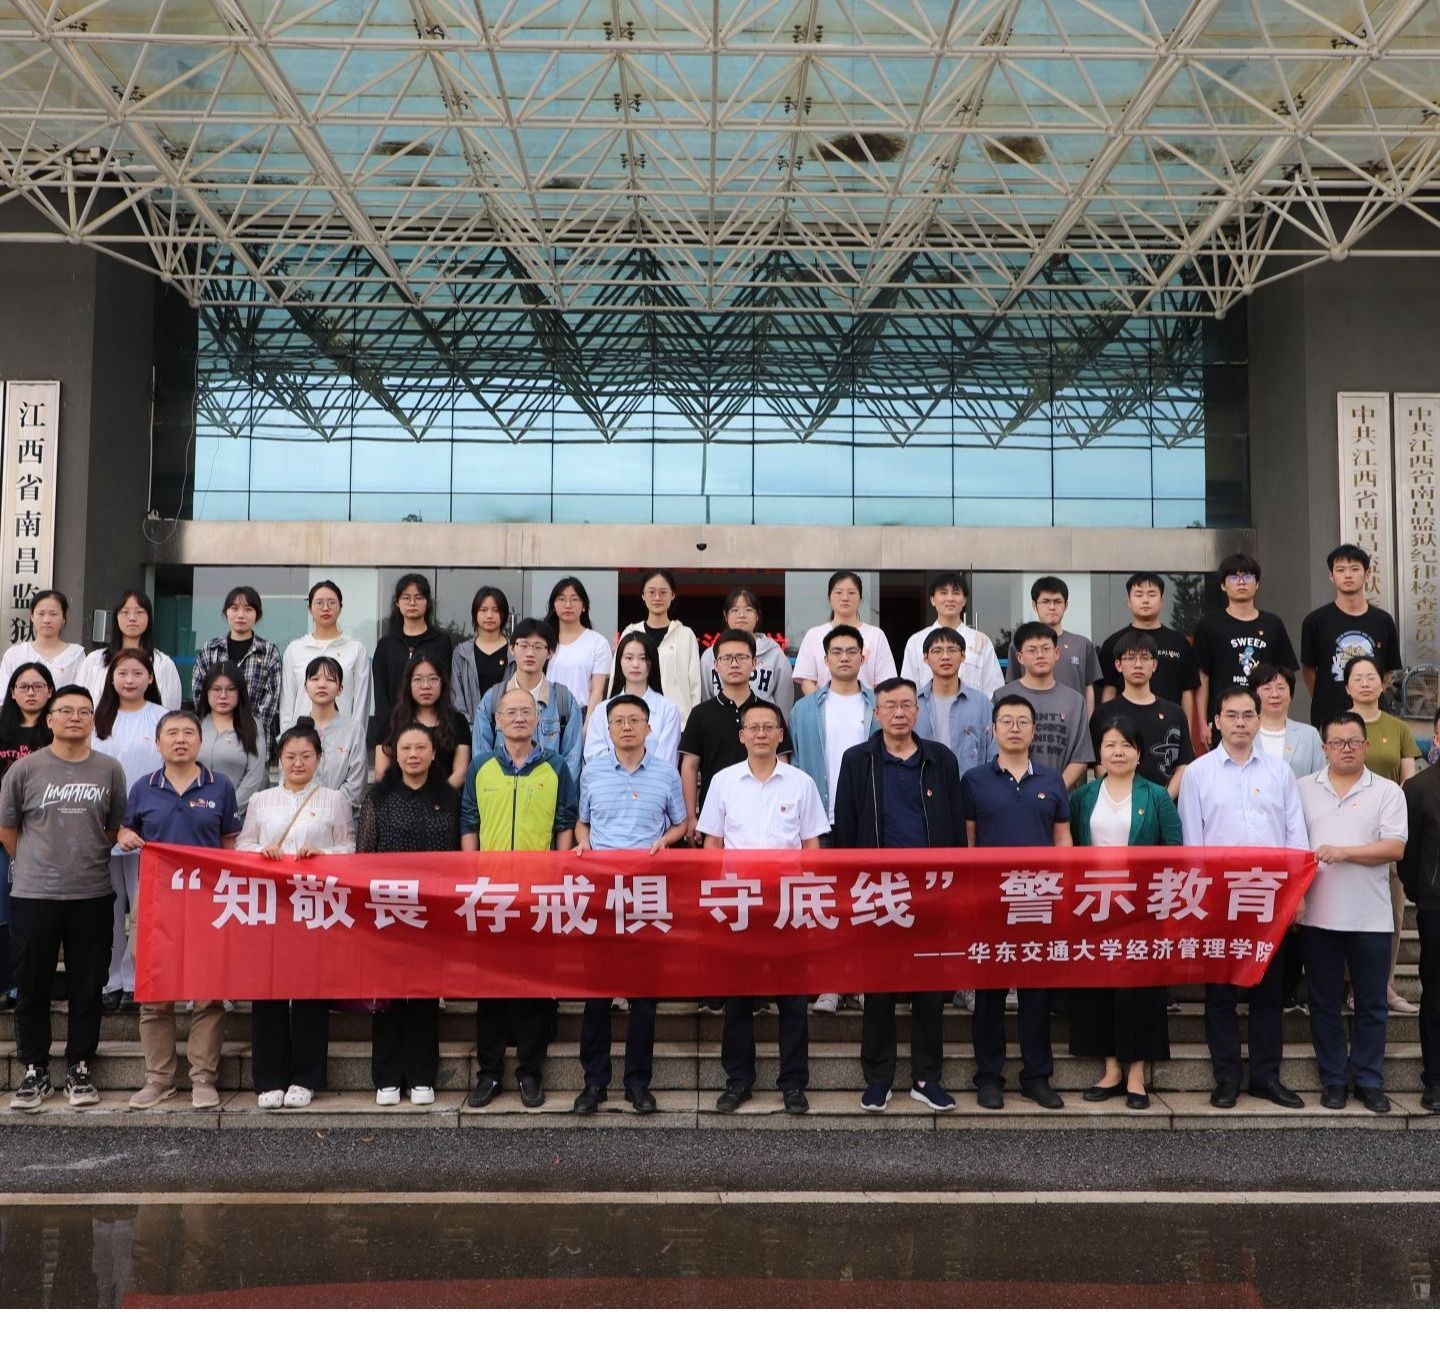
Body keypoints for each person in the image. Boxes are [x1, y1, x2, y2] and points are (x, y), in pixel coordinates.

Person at [833, 677, 966, 1113]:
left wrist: (954, 885)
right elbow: (846, 826)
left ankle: (927, 1078)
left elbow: (955, 826)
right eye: (889, 706)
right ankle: (879, 1078)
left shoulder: (940, 760)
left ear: (917, 710)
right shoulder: (858, 760)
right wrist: (849, 890)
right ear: (876, 713)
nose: (899, 713)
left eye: (907, 705)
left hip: (930, 891)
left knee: (930, 988)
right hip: (877, 890)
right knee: (879, 987)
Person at [1177, 683, 1310, 1109]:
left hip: (1269, 899)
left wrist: (1297, 893)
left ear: (1258, 720)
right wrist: (1196, 900)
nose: (1240, 723)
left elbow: (1295, 836)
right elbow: (1192, 843)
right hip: (1218, 899)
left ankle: (1266, 1077)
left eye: (1247, 715)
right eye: (1231, 715)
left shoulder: (1279, 772)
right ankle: (1227, 1078)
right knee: (1220, 995)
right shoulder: (1198, 773)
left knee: (1268, 993)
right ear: (1216, 721)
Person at [699, 698, 829, 1115]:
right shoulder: (723, 781)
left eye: (768, 727)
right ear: (742, 736)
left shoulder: (800, 783)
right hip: (739, 904)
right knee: (738, 999)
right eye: (753, 727)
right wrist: (718, 897)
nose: (760, 734)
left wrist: (806, 897)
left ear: (779, 735)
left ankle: (793, 1083)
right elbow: (712, 843)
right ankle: (738, 1081)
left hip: (787, 903)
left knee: (793, 1000)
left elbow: (811, 845)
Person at [1, 684, 127, 1111]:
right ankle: (34, 1069)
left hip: (92, 893)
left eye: (84, 711)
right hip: (34, 895)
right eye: (66, 710)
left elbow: (113, 828)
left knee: (87, 986)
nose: (75, 717)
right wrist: (33, 863)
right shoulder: (25, 769)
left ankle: (79, 1067)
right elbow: (8, 828)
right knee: (32, 985)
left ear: (93, 720)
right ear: (50, 719)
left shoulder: (109, 769)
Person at [116, 711, 242, 1111]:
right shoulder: (144, 787)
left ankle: (203, 1077)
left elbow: (229, 844)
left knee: (207, 995)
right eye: (172, 733)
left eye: (189, 732)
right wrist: (125, 834)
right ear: (158, 743)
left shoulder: (220, 786)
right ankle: (159, 1079)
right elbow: (124, 828)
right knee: (155, 994)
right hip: (156, 902)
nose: (181, 739)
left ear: (200, 742)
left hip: (207, 902)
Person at [461, 689, 577, 1110]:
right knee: (490, 987)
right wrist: (472, 879)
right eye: (510, 712)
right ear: (497, 720)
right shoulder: (481, 766)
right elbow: (469, 821)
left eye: (526, 711)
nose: (518, 718)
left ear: (538, 719)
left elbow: (565, 822)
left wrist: (556, 876)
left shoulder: (555, 766)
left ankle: (530, 1071)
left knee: (534, 987)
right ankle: (490, 1072)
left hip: (537, 893)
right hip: (492, 893)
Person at [572, 695, 688, 1116]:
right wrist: (583, 843)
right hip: (603, 892)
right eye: (618, 720)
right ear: (607, 729)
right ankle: (594, 1082)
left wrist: (665, 841)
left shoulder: (666, 773)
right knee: (597, 995)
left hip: (647, 893)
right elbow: (582, 822)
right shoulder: (593, 771)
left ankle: (638, 1083)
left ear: (648, 727)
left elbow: (681, 823)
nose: (626, 727)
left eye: (634, 720)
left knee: (643, 997)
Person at [236, 717, 355, 1109]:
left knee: (310, 992)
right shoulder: (261, 801)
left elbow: (350, 850)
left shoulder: (334, 800)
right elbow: (242, 848)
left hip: (315, 907)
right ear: (279, 759)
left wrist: (323, 855)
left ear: (319, 758)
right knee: (267, 991)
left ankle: (306, 1077)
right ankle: (269, 1078)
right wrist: (263, 851)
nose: (298, 763)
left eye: (306, 756)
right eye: (290, 756)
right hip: (270, 908)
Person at [960, 695, 1072, 1110]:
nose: (1014, 728)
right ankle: (989, 1077)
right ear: (992, 730)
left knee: (1036, 994)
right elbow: (968, 843)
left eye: (1022, 721)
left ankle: (1036, 1077)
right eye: (1005, 721)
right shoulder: (974, 780)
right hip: (991, 902)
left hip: (1038, 900)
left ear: (1033, 730)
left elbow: (1063, 841)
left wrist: (1063, 894)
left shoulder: (1051, 780)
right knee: (989, 995)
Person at [1069, 715, 1183, 1110]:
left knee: (1141, 991)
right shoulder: (1084, 797)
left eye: (1126, 745)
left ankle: (1136, 1074)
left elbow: (1174, 850)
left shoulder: (1156, 795)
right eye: (1110, 745)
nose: (1118, 752)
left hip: (1142, 908)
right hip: (1095, 907)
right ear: (1099, 754)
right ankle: (1111, 1070)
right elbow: (1072, 849)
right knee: (1101, 989)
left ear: (1139, 753)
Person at [1297, 711, 1408, 1114]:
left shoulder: (1388, 791)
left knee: (1372, 1003)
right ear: (1324, 748)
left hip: (1371, 917)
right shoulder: (1303, 789)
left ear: (1366, 745)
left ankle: (1368, 1080)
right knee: (1324, 1002)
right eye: (1337, 742)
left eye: (1354, 741)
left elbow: (1394, 848)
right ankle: (1333, 1080)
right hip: (1318, 916)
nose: (1346, 748)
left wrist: (1344, 853)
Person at [356, 723, 460, 1107]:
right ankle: (386, 1077)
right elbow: (364, 855)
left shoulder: (449, 798)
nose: (413, 754)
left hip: (432, 913)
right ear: (395, 755)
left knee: (423, 996)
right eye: (405, 748)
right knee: (387, 997)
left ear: (433, 754)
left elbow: (458, 855)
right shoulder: (378, 798)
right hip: (387, 910)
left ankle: (421, 1076)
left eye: (420, 748)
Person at [789, 624, 878, 1014]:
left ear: (863, 657)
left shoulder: (879, 705)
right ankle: (829, 983)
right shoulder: (804, 710)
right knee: (824, 905)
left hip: (867, 817)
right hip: (818, 821)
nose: (844, 657)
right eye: (836, 652)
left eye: (851, 651)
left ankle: (860, 982)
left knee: (865, 903)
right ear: (825, 660)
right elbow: (792, 765)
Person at [1343, 654, 1421, 1017]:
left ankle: (1384, 985)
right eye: (1357, 678)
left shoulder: (1398, 728)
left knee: (1392, 912)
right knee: (1347, 915)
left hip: (1387, 837)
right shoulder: (1338, 726)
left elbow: (1409, 782)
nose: (1365, 683)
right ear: (1347, 686)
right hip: (1345, 837)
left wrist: (1392, 822)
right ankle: (1354, 987)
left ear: (1383, 683)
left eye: (1371, 677)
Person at [91, 648, 166, 1012]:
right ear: (112, 679)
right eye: (122, 673)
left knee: (141, 907)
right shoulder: (97, 718)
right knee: (109, 906)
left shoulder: (162, 718)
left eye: (137, 673)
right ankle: (111, 981)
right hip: (102, 826)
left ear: (150, 678)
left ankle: (137, 979)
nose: (130, 680)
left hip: (147, 827)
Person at [679, 629, 793, 846]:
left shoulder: (770, 712)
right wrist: (691, 816)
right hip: (715, 818)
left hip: (766, 815)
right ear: (716, 665)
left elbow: (783, 764)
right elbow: (689, 766)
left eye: (741, 657)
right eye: (727, 658)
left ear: (754, 663)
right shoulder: (701, 714)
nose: (734, 664)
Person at [1192, 554, 1297, 750]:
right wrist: (1202, 723)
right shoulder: (1209, 625)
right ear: (1223, 585)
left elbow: (1286, 677)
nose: (1241, 582)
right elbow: (1202, 677)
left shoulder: (1273, 624)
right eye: (1234, 577)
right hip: (1225, 718)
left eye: (1247, 577)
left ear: (1257, 583)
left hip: (1264, 719)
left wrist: (1283, 717)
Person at [1301, 543, 1403, 729]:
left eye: (1355, 569)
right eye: (1340, 570)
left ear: (1367, 574)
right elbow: (1308, 670)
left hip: (1374, 717)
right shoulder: (1315, 621)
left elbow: (1387, 671)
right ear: (1331, 576)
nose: (1348, 575)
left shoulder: (1383, 621)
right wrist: (1325, 697)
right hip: (1329, 717)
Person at [472, 617, 582, 785]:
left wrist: (552, 791)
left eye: (538, 647)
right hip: (502, 794)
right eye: (523, 645)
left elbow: (572, 759)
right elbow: (481, 757)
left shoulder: (563, 699)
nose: (530, 653)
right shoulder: (493, 698)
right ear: (511, 648)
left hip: (548, 794)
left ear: (550, 652)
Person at [0, 665, 53, 1011]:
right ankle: (7, 983)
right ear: (12, 691)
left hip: (46, 834)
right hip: (3, 831)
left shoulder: (57, 729)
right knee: (5, 911)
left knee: (35, 916)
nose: (31, 692)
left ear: (50, 691)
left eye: (38, 686)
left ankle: (26, 984)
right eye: (23, 686)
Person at [1089, 630, 1193, 799]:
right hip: (1118, 804)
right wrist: (1129, 800)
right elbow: (1099, 765)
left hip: (1164, 805)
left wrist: (1162, 800)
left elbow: (1184, 765)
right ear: (1118, 665)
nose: (1138, 664)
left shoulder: (1175, 713)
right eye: (1130, 658)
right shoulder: (1104, 714)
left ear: (1154, 664)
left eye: (1145, 658)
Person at [1398, 709, 1440, 1115]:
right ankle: (1435, 1079)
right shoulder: (1419, 788)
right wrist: (1422, 891)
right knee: (1436, 994)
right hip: (1435, 904)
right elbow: (1407, 857)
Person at [993, 622, 1094, 789]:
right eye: (1032, 650)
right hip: (1009, 793)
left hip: (1058, 796)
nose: (1040, 655)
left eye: (1046, 649)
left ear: (1056, 653)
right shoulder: (1002, 697)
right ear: (1020, 657)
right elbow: (993, 750)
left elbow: (1081, 757)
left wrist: (1054, 790)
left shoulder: (1075, 701)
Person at [190, 585, 284, 760]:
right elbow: (199, 692)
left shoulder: (268, 652)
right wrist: (218, 724)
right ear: (226, 612)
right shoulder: (211, 649)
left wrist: (247, 727)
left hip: (253, 739)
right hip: (213, 738)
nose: (241, 615)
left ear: (257, 614)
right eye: (234, 608)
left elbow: (271, 700)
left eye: (248, 609)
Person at [1098, 573, 1199, 731]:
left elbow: (1187, 691)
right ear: (1129, 601)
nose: (1145, 600)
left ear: (1162, 601)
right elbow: (1109, 690)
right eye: (1139, 595)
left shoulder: (1179, 642)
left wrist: (1187, 732)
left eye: (1151, 594)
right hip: (1124, 731)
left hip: (1168, 727)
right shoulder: (1114, 642)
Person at [368, 573, 455, 748]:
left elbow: (445, 686)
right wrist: (387, 730)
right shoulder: (386, 644)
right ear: (397, 602)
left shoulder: (441, 642)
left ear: (428, 602)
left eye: (418, 597)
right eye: (406, 598)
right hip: (393, 730)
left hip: (433, 728)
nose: (412, 603)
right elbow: (381, 693)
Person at [279, 580, 373, 730]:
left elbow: (361, 704)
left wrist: (355, 737)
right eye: (319, 603)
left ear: (340, 608)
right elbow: (287, 704)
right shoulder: (294, 649)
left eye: (331, 603)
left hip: (342, 736)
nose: (325, 608)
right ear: (310, 608)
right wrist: (288, 737)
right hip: (302, 737)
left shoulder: (356, 649)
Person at [1003, 576, 1103, 713]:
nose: (1052, 607)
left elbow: (1089, 688)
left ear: (1066, 605)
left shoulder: (1082, 644)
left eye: (1057, 601)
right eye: (1045, 601)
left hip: (1072, 720)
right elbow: (1012, 686)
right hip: (1029, 719)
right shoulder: (1019, 644)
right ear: (1034, 605)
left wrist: (1087, 721)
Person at [373, 654, 471, 789]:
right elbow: (381, 772)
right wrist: (407, 798)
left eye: (433, 679)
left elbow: (461, 772)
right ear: (408, 684)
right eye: (418, 679)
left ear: (443, 683)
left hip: (445, 797)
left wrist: (438, 797)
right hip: (399, 798)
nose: (426, 686)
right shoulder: (391, 721)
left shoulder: (458, 722)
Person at [584, 631, 681, 768]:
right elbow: (595, 758)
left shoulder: (669, 710)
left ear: (652, 662)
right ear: (619, 661)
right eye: (629, 658)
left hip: (654, 781)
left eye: (643, 658)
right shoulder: (601, 711)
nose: (635, 664)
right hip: (609, 781)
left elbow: (666, 762)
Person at [901, 571, 1004, 697]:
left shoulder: (981, 641)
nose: (950, 599)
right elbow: (908, 689)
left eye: (956, 593)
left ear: (964, 600)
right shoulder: (916, 641)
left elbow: (994, 689)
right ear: (932, 599)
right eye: (943, 593)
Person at [77, 588, 183, 711]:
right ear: (116, 617)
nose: (132, 618)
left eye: (139, 612)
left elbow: (171, 713)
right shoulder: (95, 661)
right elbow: (79, 702)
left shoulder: (163, 664)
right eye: (125, 612)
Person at [620, 569, 703, 723]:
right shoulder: (630, 633)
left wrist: (693, 724)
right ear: (643, 595)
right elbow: (618, 677)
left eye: (663, 592)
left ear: (673, 595)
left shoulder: (685, 634)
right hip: (634, 721)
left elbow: (695, 686)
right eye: (651, 592)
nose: (657, 597)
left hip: (679, 723)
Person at [794, 571, 897, 694]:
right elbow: (807, 681)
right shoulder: (814, 635)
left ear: (860, 598)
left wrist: (869, 703)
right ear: (829, 598)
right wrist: (823, 703)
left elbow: (885, 682)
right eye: (838, 592)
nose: (845, 598)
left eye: (851, 592)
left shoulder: (876, 635)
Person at [913, 628, 995, 777]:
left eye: (952, 650)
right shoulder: (913, 704)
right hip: (922, 786)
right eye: (937, 651)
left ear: (963, 656)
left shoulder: (982, 704)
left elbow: (993, 754)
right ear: (925, 658)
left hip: (970, 787)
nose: (945, 657)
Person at [699, 588, 794, 717]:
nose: (741, 615)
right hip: (720, 724)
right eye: (735, 610)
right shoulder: (710, 656)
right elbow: (707, 700)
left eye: (749, 610)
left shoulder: (776, 655)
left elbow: (784, 705)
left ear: (757, 616)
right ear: (725, 616)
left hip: (762, 726)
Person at [195, 663, 269, 817]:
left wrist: (228, 811)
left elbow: (255, 777)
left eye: (230, 689)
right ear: (206, 691)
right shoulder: (194, 725)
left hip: (236, 817)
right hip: (194, 813)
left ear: (240, 691)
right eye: (216, 689)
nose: (223, 695)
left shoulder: (253, 726)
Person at [300, 656, 368, 821]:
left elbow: (355, 786)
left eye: (330, 679)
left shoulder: (353, 730)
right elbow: (288, 782)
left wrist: (326, 812)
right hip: (302, 821)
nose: (322, 685)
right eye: (315, 679)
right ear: (305, 687)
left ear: (340, 689)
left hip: (342, 822)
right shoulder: (296, 730)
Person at [545, 576, 612, 715]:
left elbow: (597, 691)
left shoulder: (597, 642)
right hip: (546, 715)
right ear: (553, 606)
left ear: (584, 606)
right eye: (561, 599)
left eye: (574, 599)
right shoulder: (543, 640)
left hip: (581, 714)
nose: (568, 605)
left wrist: (589, 722)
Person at [0, 589, 86, 695]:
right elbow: (3, 695)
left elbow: (81, 695)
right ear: (32, 616)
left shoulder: (75, 654)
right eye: (41, 614)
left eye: (53, 614)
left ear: (64, 618)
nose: (46, 620)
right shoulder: (15, 654)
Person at [1251, 663, 1325, 779]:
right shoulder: (1243, 733)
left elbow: (1321, 779)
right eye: (1267, 688)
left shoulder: (1309, 735)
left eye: (1281, 688)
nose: (1275, 694)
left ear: (1291, 694)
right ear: (1254, 695)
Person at [450, 585, 510, 722]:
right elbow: (456, 697)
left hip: (508, 728)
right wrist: (471, 728)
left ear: (504, 614)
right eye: (483, 610)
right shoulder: (462, 653)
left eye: (495, 610)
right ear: (475, 613)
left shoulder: (514, 652)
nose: (489, 615)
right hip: (470, 729)